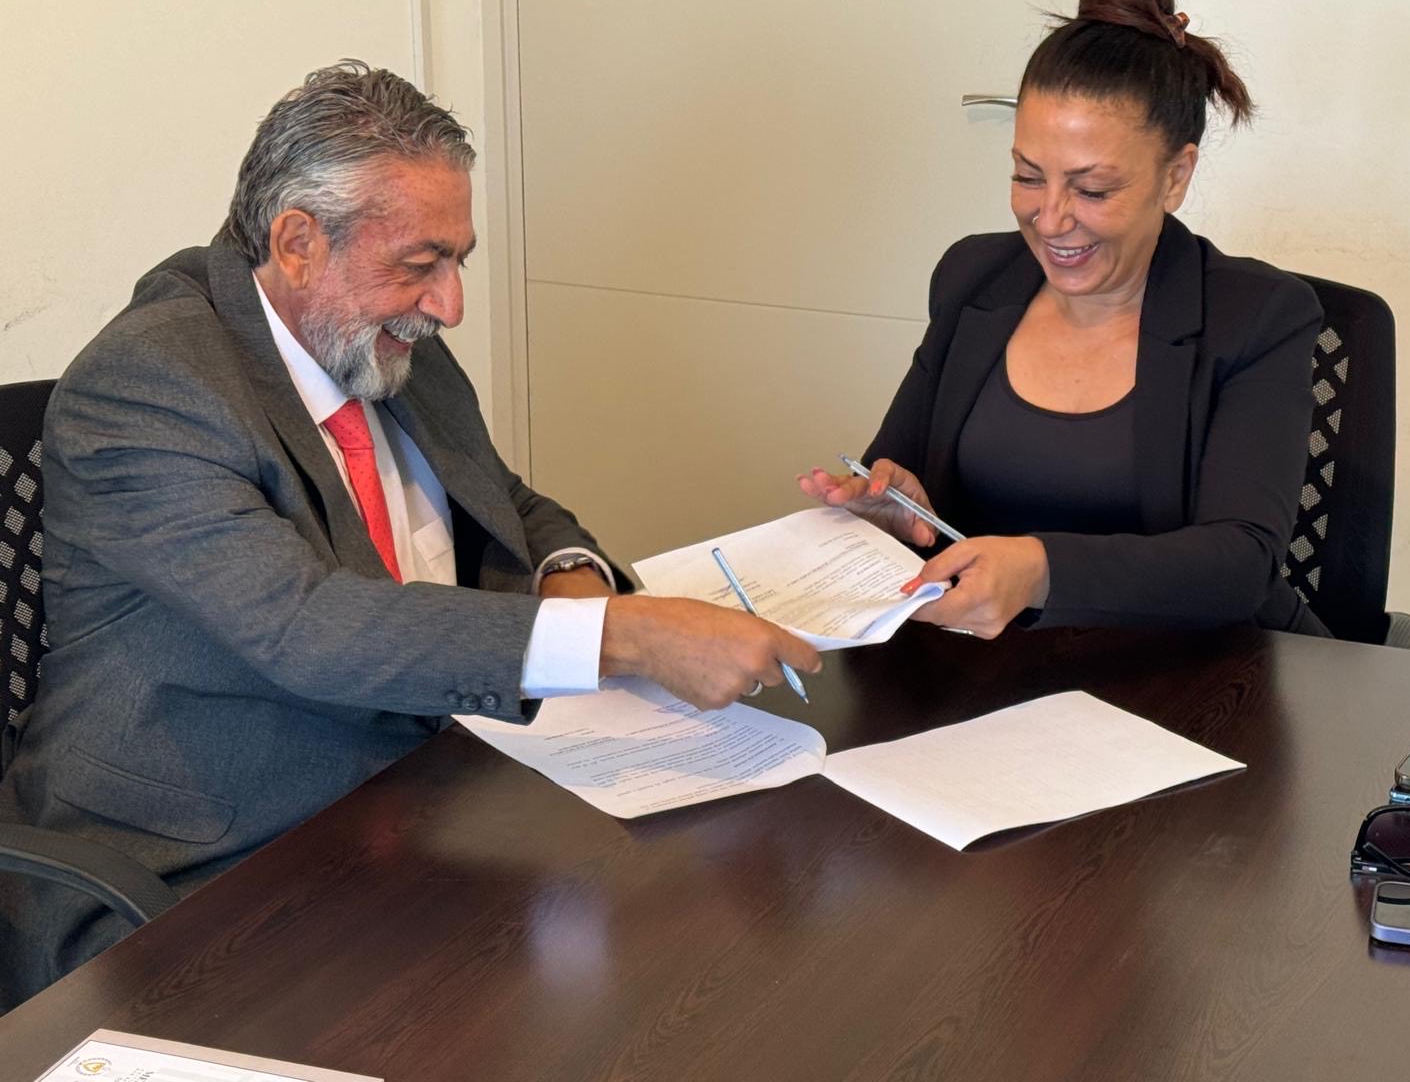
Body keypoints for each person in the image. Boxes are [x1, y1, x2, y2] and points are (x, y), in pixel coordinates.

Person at [0, 61, 820, 1006]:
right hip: (198, 871)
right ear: (298, 243)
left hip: (406, 804)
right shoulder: (153, 384)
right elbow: (307, 627)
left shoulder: (381, 339)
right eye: (421, 264)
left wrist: (570, 574)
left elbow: (506, 500)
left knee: (698, 956)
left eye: (458, 259)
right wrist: (622, 637)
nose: (450, 304)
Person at [801, 0, 1328, 640]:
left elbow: (1240, 563)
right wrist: (893, 511)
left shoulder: (1255, 317)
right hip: (990, 668)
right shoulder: (974, 280)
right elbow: (898, 477)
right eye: (1027, 176)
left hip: (1195, 671)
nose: (1049, 220)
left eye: (1093, 189)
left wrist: (1043, 569)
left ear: (1176, 176)